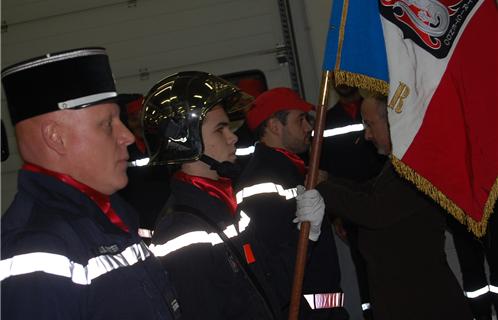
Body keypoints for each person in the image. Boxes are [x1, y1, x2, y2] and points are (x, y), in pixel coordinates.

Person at [0, 47, 181, 320]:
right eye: (108, 124)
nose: (128, 137)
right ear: (56, 138)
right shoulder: (37, 249)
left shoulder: (113, 216)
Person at [315, 95, 473, 320]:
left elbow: (375, 211)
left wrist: (324, 188)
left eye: (370, 125)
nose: (367, 135)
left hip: (424, 301)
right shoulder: (397, 164)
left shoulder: (415, 167)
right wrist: (329, 180)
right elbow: (369, 191)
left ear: (392, 121)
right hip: (404, 298)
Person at [144, 71, 285, 319]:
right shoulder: (182, 229)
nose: (233, 137)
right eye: (220, 129)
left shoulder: (222, 203)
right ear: (186, 141)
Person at [235, 87, 349, 319]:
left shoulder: (293, 170)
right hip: (306, 309)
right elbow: (275, 262)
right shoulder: (261, 181)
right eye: (300, 120)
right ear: (275, 126)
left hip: (325, 302)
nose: (309, 127)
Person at [320, 84, 387, 319]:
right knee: (363, 269)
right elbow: (324, 167)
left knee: (387, 266)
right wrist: (336, 214)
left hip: (383, 199)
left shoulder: (376, 109)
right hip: (349, 209)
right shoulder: (327, 120)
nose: (369, 133)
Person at [447, 208, 498, 320]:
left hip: (461, 214)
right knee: (473, 277)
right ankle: (481, 315)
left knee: (472, 275)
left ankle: (481, 315)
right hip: (462, 215)